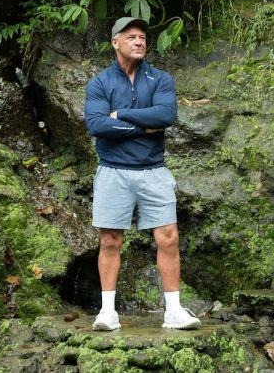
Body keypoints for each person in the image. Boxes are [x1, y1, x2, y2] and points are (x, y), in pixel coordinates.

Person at [84, 17, 200, 331]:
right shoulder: (100, 84)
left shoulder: (160, 79)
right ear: (115, 43)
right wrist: (144, 127)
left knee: (169, 237)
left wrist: (121, 115)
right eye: (131, 37)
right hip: (113, 171)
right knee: (110, 240)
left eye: (142, 37)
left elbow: (166, 115)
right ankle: (107, 312)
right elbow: (97, 125)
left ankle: (173, 311)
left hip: (154, 171)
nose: (139, 41)